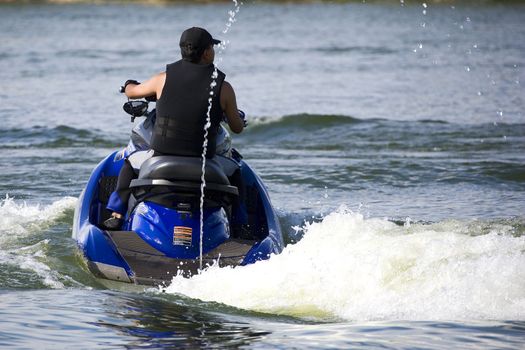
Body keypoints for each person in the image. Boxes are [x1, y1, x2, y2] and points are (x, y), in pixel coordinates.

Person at [104, 27, 245, 229]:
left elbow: (134, 92)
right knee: (236, 172)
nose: (213, 51)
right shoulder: (224, 87)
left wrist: (127, 85)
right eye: (212, 47)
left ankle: (116, 215)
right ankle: (241, 224)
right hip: (205, 165)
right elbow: (237, 127)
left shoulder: (162, 79)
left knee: (129, 163)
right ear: (206, 53)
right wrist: (239, 120)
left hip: (161, 160)